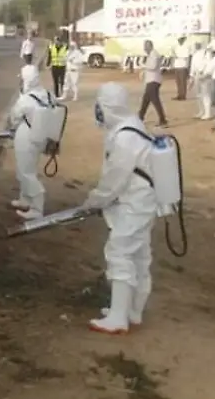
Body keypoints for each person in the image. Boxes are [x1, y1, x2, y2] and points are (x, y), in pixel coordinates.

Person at [84, 83, 160, 335]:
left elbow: (115, 179)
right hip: (142, 200)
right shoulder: (129, 125)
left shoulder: (126, 137)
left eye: (100, 106)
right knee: (138, 254)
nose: (97, 111)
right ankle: (131, 309)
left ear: (109, 107)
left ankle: (118, 317)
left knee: (120, 252)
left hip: (135, 202)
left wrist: (95, 200)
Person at [9, 65, 54, 220]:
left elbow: (14, 117)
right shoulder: (48, 94)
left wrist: (14, 127)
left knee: (26, 172)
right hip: (41, 138)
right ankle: (25, 199)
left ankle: (37, 208)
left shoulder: (26, 99)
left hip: (26, 138)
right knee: (27, 169)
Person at [137, 40, 168, 127]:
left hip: (154, 80)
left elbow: (153, 67)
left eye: (145, 47)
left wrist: (143, 65)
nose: (144, 49)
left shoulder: (154, 55)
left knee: (155, 101)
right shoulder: (151, 55)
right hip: (151, 80)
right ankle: (140, 117)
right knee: (146, 100)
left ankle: (163, 120)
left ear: (150, 46)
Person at [189, 42, 214, 121]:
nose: (196, 45)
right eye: (195, 44)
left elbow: (210, 64)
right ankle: (201, 111)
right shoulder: (195, 54)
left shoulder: (207, 53)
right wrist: (191, 77)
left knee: (206, 95)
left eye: (198, 44)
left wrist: (205, 74)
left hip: (206, 76)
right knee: (198, 95)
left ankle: (208, 113)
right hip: (197, 75)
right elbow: (192, 66)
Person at [171, 36, 193, 101]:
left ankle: (183, 95)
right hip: (177, 65)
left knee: (182, 82)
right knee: (178, 82)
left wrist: (187, 66)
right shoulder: (177, 47)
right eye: (179, 39)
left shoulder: (186, 47)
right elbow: (174, 56)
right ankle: (179, 94)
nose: (179, 40)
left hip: (183, 66)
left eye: (181, 39)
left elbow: (187, 57)